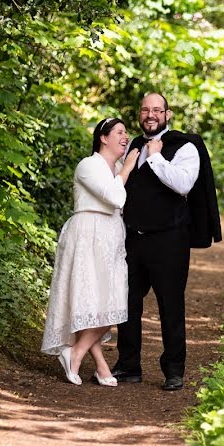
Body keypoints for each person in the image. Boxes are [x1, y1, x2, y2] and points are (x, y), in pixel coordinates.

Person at [111, 93, 216, 391]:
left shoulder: (186, 146)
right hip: (133, 239)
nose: (150, 115)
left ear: (168, 115)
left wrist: (156, 156)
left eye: (157, 110)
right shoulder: (132, 145)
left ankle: (173, 370)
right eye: (145, 110)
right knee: (127, 303)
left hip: (169, 240)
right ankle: (129, 366)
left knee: (170, 305)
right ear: (139, 115)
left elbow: (183, 183)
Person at [41, 118, 140, 386]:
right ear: (103, 138)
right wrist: (128, 169)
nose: (125, 136)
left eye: (126, 132)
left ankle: (80, 355)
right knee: (92, 301)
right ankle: (84, 359)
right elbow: (115, 197)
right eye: (119, 132)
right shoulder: (88, 165)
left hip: (111, 235)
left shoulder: (117, 168)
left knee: (111, 304)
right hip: (87, 232)